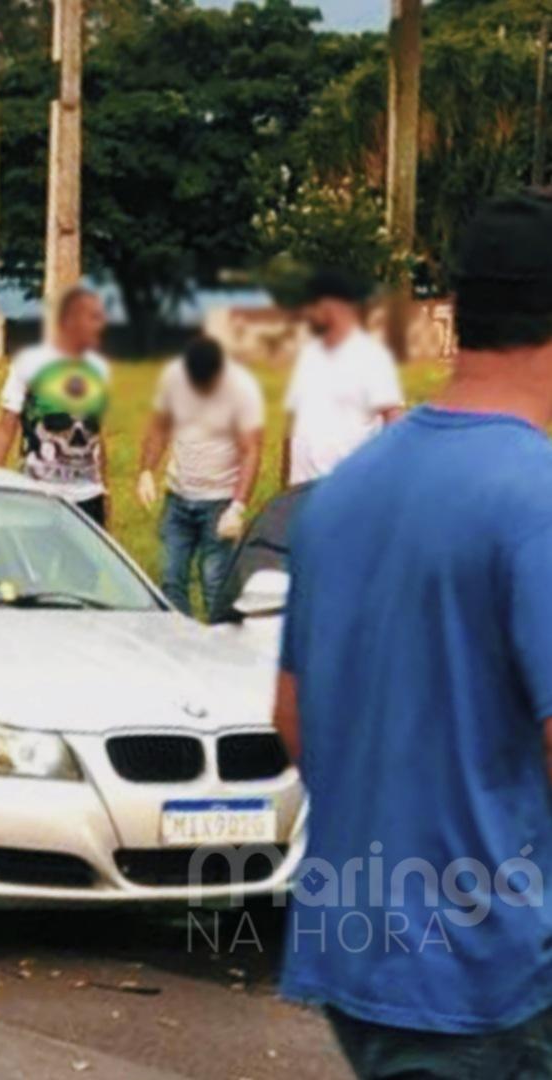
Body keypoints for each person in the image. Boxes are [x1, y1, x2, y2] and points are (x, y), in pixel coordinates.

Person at [274, 192, 552, 1077]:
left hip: (365, 959)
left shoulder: (342, 493)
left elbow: (292, 721)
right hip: (501, 980)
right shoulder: (536, 497)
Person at [135, 336, 264, 618]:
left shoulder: (242, 390)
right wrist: (146, 471)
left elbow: (251, 451)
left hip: (219, 502)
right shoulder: (173, 379)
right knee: (170, 577)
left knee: (214, 582)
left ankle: (220, 649)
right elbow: (159, 428)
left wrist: (238, 507)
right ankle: (181, 644)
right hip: (177, 497)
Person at [0, 286, 113, 526]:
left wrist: (104, 488)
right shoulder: (29, 364)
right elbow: (6, 427)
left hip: (87, 496)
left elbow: (97, 433)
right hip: (39, 493)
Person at [280, 268, 404, 488]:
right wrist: (285, 483)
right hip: (301, 489)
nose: (306, 314)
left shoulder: (371, 357)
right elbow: (293, 421)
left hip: (346, 489)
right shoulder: (309, 355)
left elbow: (394, 424)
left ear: (329, 305)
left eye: (310, 306)